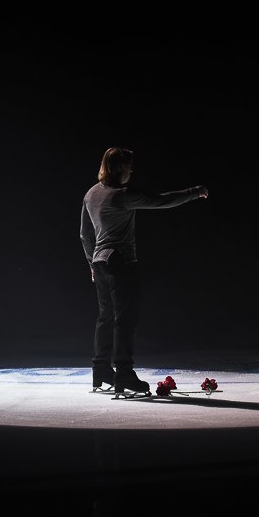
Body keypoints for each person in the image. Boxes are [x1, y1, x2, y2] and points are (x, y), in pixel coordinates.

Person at [80, 147, 209, 394]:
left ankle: (101, 370)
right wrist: (194, 192)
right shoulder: (122, 195)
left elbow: (84, 234)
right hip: (121, 262)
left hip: (100, 262)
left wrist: (91, 263)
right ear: (120, 168)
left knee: (105, 317)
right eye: (129, 166)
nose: (131, 171)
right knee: (124, 320)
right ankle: (124, 374)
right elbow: (162, 200)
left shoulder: (90, 194)